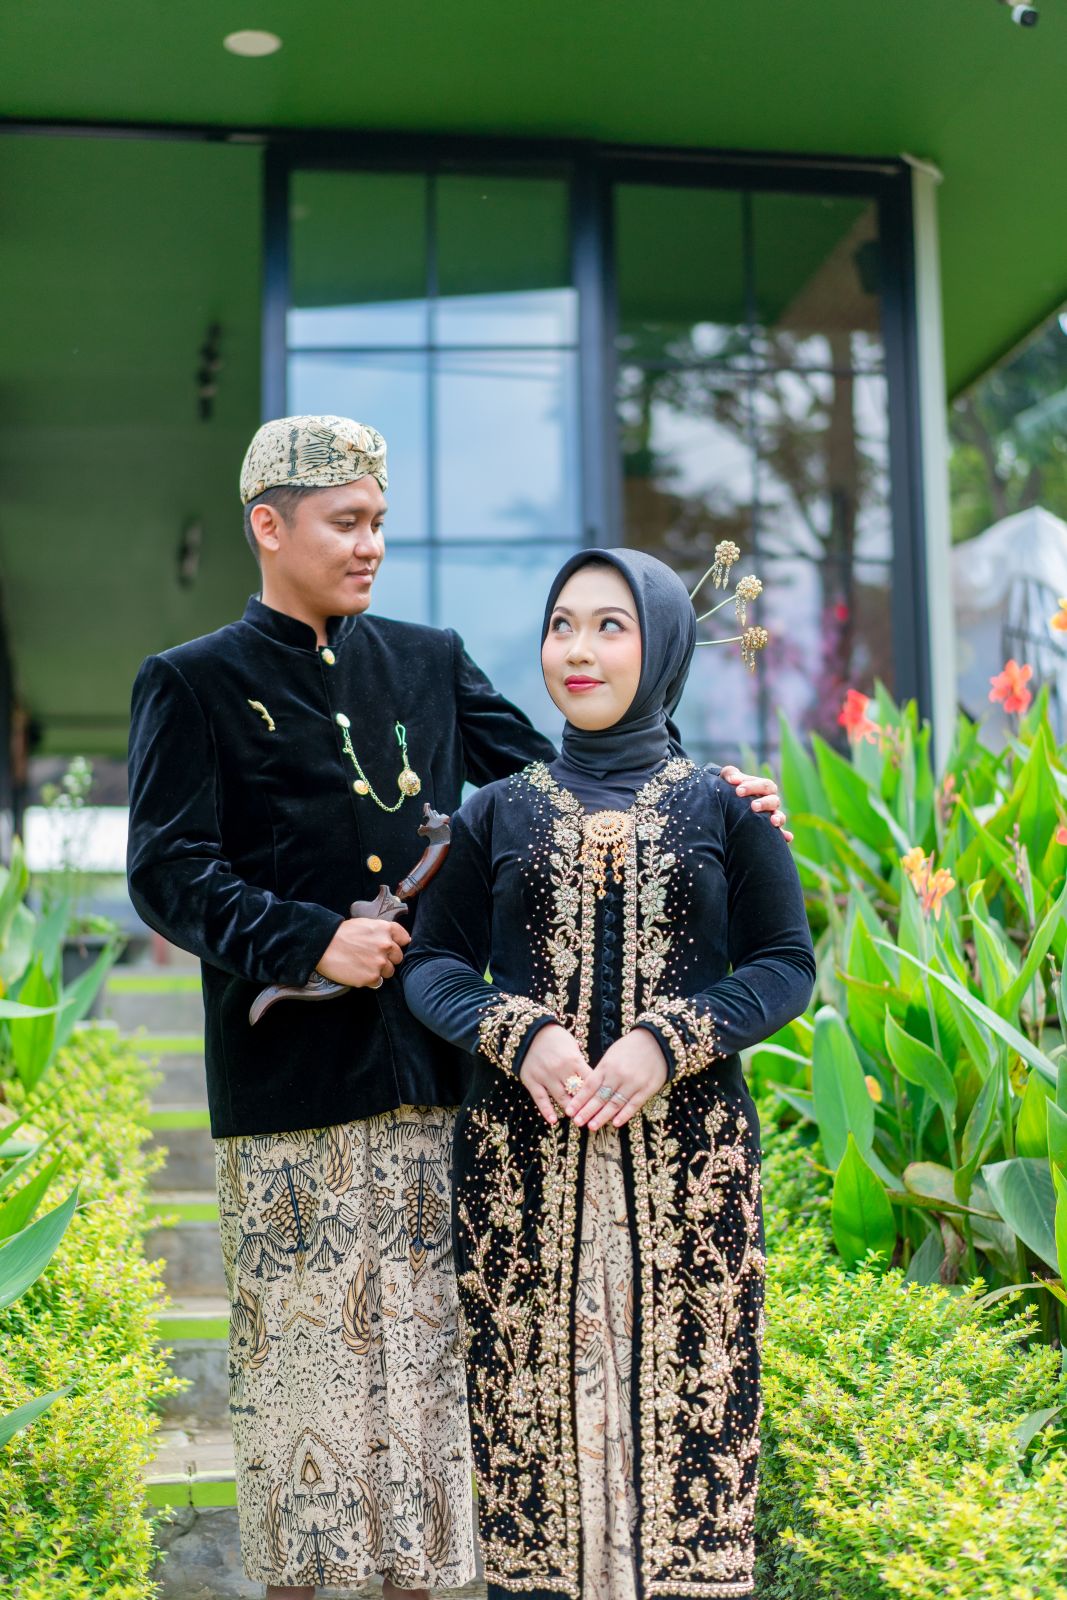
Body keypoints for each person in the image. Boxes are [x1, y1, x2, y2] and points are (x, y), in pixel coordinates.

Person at [126, 415, 789, 1600]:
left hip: (442, 1094)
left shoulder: (427, 660)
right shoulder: (191, 681)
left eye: (380, 522)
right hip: (293, 1097)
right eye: (346, 522)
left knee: (444, 1412)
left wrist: (703, 795)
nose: (370, 544)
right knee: (310, 1412)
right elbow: (168, 871)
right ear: (268, 525)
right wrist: (306, 937)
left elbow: (553, 772)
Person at [402, 548, 816, 1600]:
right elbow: (432, 965)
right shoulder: (495, 810)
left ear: (663, 645)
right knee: (524, 1455)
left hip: (691, 1178)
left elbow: (783, 965)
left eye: (609, 626)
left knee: (694, 1432)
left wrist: (668, 1040)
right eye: (561, 625)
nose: (577, 649)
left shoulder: (726, 808)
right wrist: (517, 1030)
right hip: (519, 1178)